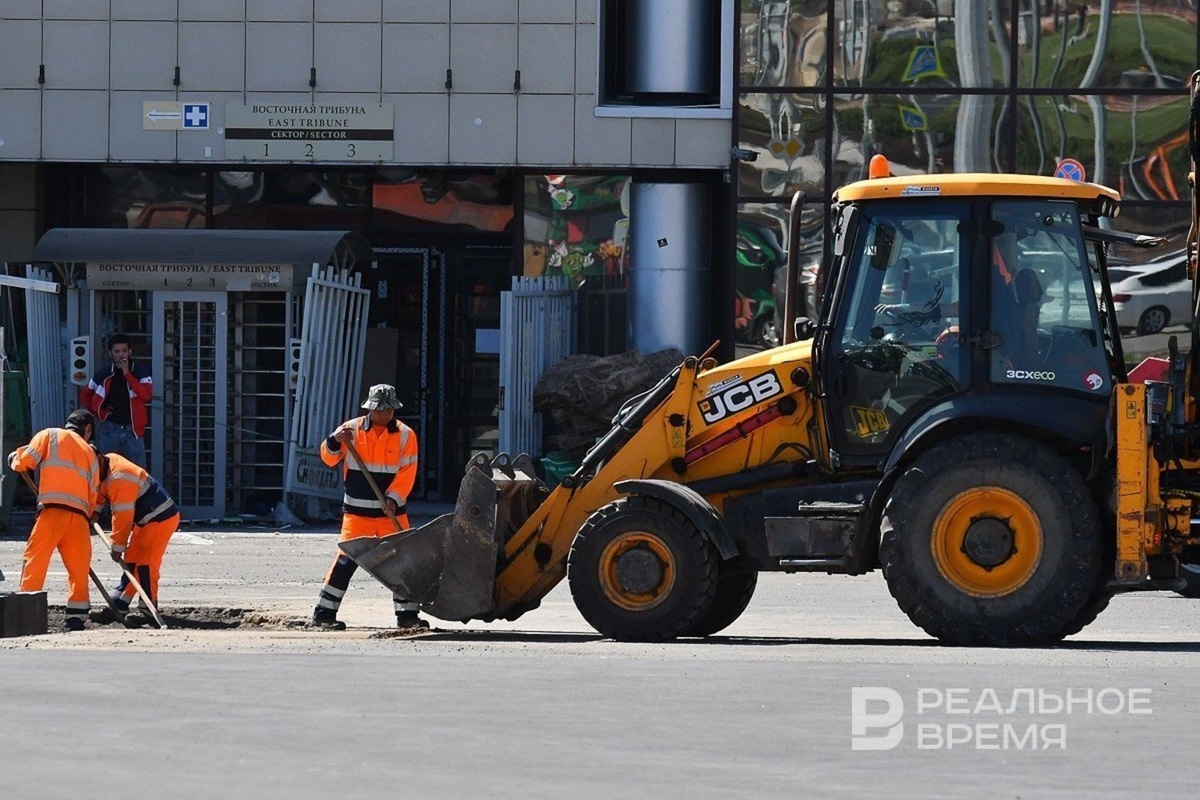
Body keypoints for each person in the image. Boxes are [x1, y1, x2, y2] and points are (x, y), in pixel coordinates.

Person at [312, 384, 424, 630]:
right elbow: (328, 458)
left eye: (388, 410)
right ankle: (324, 614)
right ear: (370, 409)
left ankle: (407, 617)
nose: (383, 415)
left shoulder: (406, 435)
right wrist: (333, 441)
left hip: (390, 513)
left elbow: (407, 472)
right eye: (379, 410)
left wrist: (394, 499)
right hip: (357, 513)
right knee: (346, 561)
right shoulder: (349, 431)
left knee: (404, 560)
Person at [8, 409, 100, 632]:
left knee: (35, 560)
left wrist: (14, 458)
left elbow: (24, 462)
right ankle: (75, 619)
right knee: (79, 569)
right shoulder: (90, 453)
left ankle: (27, 613)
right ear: (87, 429)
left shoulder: (49, 435)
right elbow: (93, 494)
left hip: (52, 513)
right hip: (79, 518)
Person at [88, 452, 181, 626]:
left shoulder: (119, 477)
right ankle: (120, 603)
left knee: (146, 563)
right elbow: (100, 489)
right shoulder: (104, 468)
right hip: (146, 519)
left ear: (99, 460)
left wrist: (117, 546)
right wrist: (95, 511)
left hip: (160, 518)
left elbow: (122, 516)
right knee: (131, 559)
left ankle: (148, 609)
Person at [81, 332, 152, 468]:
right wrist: (100, 413)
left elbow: (146, 395)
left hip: (133, 431)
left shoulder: (140, 371)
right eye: (117, 351)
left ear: (130, 352)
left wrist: (127, 374)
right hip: (109, 429)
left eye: (124, 351)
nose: (121, 355)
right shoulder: (104, 373)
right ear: (110, 354)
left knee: (139, 474)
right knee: (106, 473)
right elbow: (85, 396)